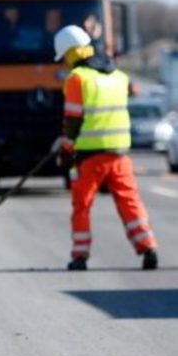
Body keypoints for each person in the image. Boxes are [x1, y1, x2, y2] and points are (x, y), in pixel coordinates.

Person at [53, 25, 158, 271]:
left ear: (72, 52)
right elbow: (132, 91)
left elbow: (73, 120)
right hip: (120, 154)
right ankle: (148, 247)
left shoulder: (78, 79)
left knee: (82, 205)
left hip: (90, 156)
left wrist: (66, 148)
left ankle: (80, 256)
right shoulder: (119, 77)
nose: (66, 63)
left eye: (66, 57)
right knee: (130, 202)